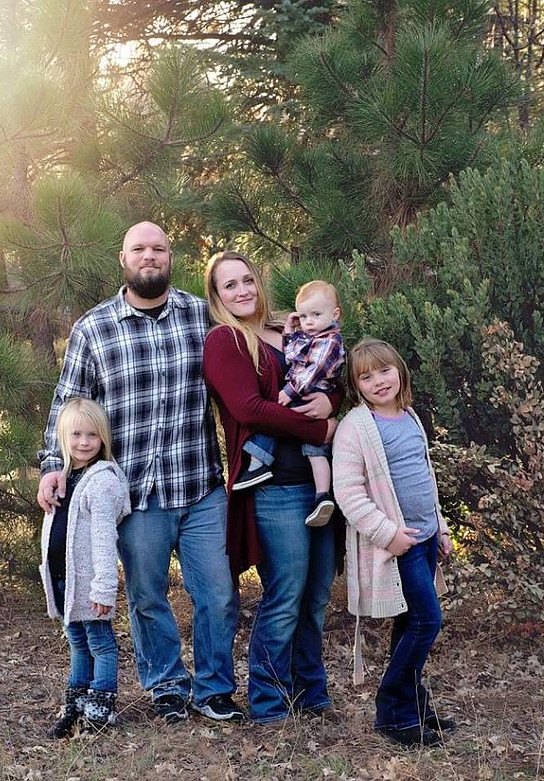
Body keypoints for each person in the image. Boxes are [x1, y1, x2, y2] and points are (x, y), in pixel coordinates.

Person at [37, 222, 243, 724]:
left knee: (217, 594)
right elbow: (67, 405)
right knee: (147, 596)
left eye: (159, 249)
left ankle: (214, 688)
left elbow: (254, 346)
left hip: (199, 486)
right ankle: (167, 686)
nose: (149, 257)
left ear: (170, 257)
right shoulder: (94, 327)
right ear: (123, 258)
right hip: (133, 495)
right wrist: (51, 465)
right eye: (139, 249)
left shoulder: (202, 317)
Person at [202, 250, 342, 724]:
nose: (242, 290)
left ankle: (311, 692)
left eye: (247, 280)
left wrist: (330, 399)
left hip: (319, 481)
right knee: (285, 595)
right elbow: (248, 409)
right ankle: (267, 700)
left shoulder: (291, 329)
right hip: (273, 487)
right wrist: (319, 430)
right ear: (217, 296)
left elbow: (329, 374)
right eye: (229, 285)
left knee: (317, 594)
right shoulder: (224, 342)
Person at [332, 338, 457, 747]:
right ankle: (392, 712)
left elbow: (425, 479)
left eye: (384, 370)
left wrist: (439, 527)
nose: (378, 381)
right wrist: (389, 535)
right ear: (356, 386)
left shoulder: (409, 416)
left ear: (399, 370)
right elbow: (349, 494)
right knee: (427, 620)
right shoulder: (357, 427)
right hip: (397, 544)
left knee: (410, 623)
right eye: (366, 377)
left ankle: (414, 705)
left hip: (424, 540)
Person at [40, 398, 131, 738]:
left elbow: (105, 540)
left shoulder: (102, 481)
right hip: (65, 578)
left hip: (90, 582)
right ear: (63, 437)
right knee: (77, 642)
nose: (83, 442)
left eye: (92, 435)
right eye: (76, 434)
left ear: (103, 437)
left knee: (101, 643)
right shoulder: (64, 478)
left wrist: (105, 586)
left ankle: (100, 709)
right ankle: (76, 705)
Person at [233, 280, 345, 528]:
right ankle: (320, 493)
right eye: (304, 316)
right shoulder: (228, 337)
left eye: (316, 315)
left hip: (305, 393)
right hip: (282, 484)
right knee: (307, 444)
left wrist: (294, 392)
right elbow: (293, 355)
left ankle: (321, 494)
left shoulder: (330, 341)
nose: (309, 321)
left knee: (301, 437)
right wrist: (290, 330)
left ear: (335, 314)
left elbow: (314, 371)